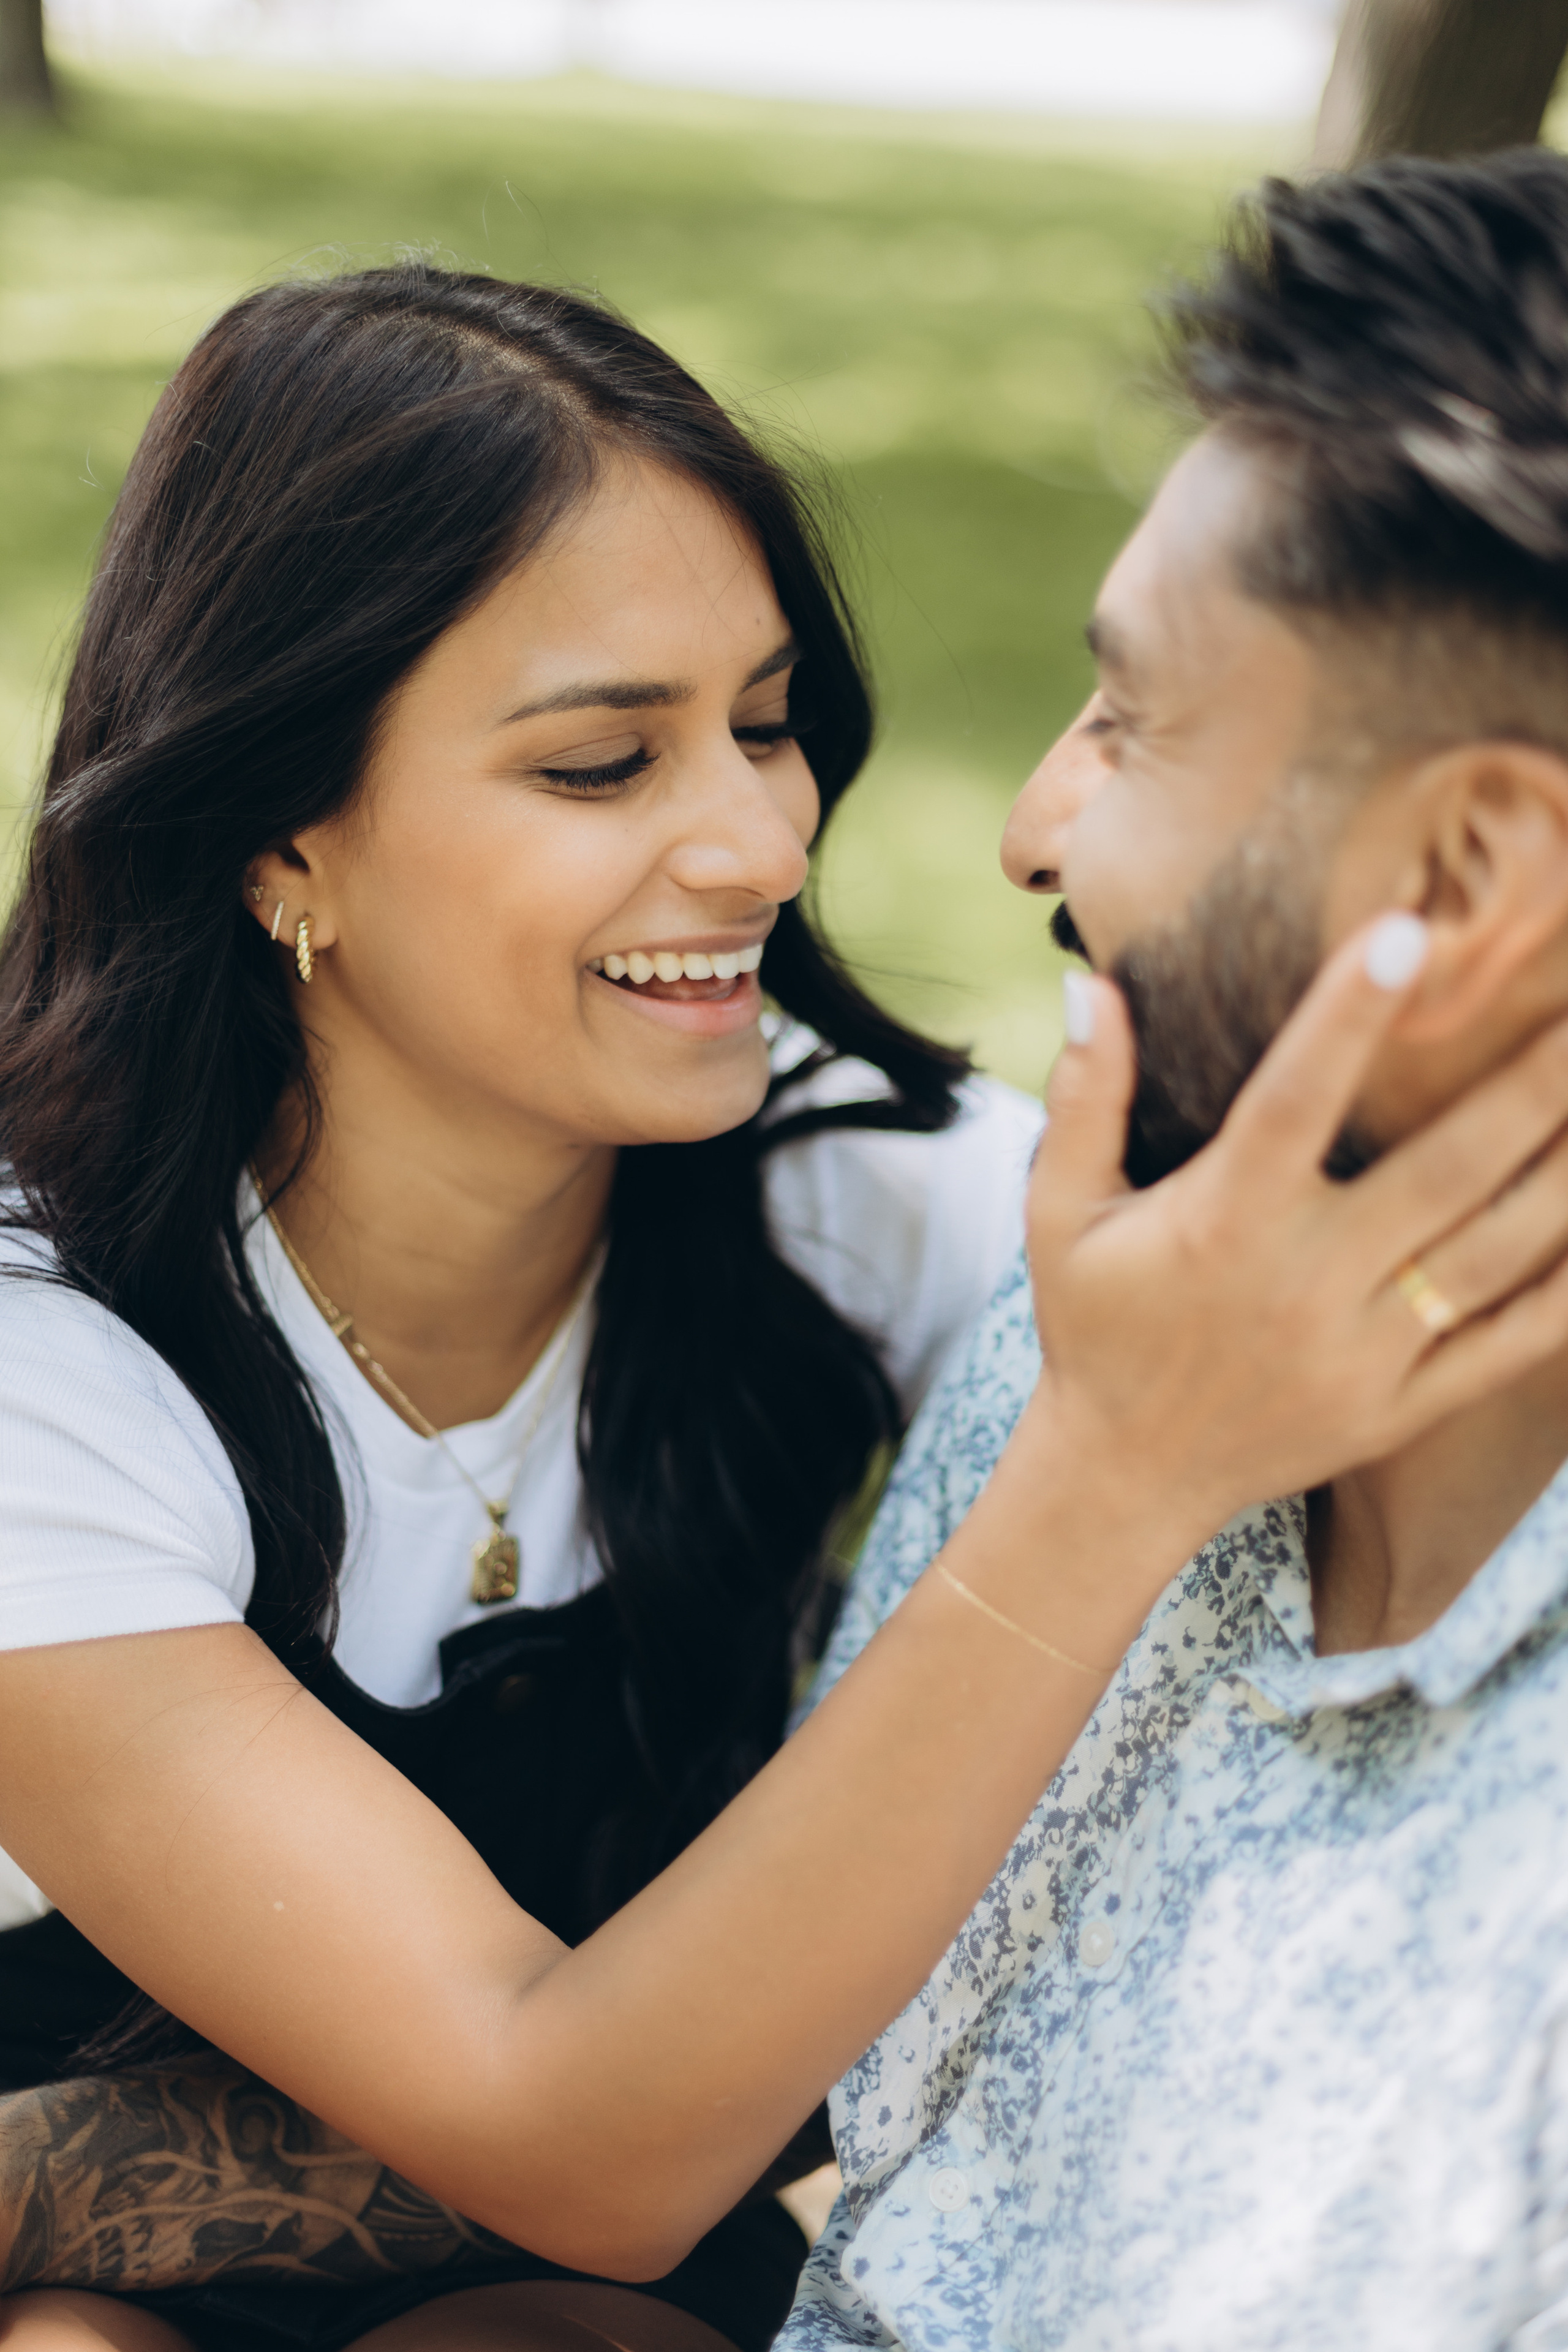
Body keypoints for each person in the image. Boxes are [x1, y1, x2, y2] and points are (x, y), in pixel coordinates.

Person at [3, 244, 1568, 2352]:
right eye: (599, 766)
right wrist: (1111, 1475)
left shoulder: (840, 1190)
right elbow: (563, 2131)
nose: (757, 842)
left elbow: (1283, 1252)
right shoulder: (50, 1365)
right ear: (282, 841)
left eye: (766, 726)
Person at [772, 147, 1568, 2352]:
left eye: (1131, 720)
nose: (1035, 823)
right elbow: (862, 2215)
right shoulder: (1097, 1331)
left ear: (1480, 868)